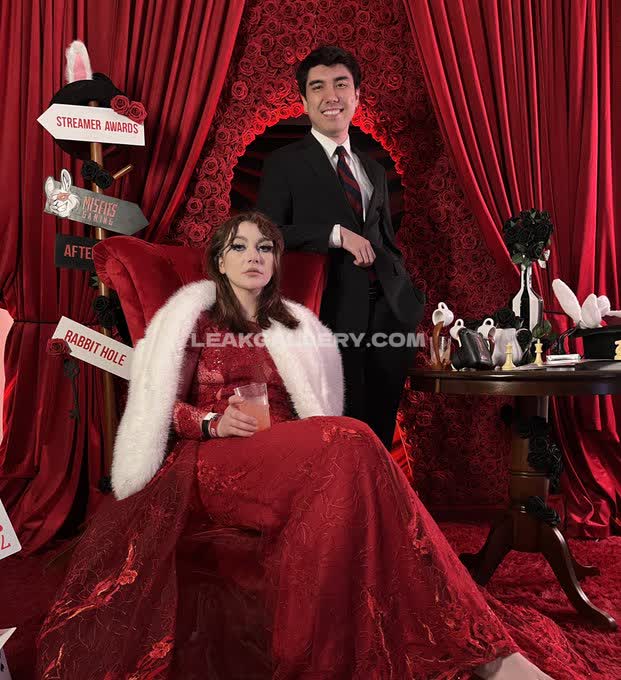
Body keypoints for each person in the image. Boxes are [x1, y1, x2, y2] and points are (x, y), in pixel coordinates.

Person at [37, 213, 552, 679]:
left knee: (352, 459)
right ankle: (488, 656)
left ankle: (464, 646)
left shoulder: (296, 325)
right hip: (217, 458)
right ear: (220, 261)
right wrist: (212, 422)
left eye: (265, 247)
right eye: (240, 247)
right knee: (354, 437)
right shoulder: (194, 320)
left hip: (292, 453)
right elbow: (159, 404)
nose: (254, 256)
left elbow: (314, 411)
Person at [256, 45, 425, 451]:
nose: (330, 95)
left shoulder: (373, 168)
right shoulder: (284, 163)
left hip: (390, 315)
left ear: (356, 96)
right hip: (329, 313)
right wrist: (334, 234)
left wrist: (407, 297)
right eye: (318, 87)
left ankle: (377, 491)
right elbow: (266, 234)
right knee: (340, 428)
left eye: (341, 84)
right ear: (304, 100)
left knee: (380, 426)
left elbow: (386, 241)